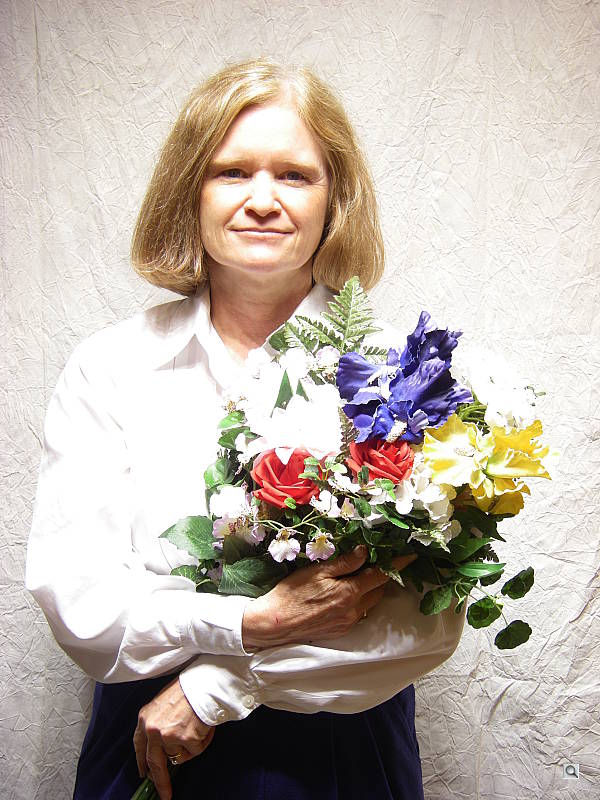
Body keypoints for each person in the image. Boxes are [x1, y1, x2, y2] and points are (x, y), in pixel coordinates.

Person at [26, 58, 465, 800]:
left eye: (295, 175)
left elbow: (426, 621)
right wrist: (248, 623)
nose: (263, 200)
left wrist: (217, 684)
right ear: (189, 190)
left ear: (335, 198)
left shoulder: (400, 375)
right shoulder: (110, 367)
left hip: (343, 752)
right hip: (149, 740)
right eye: (231, 173)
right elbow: (79, 600)